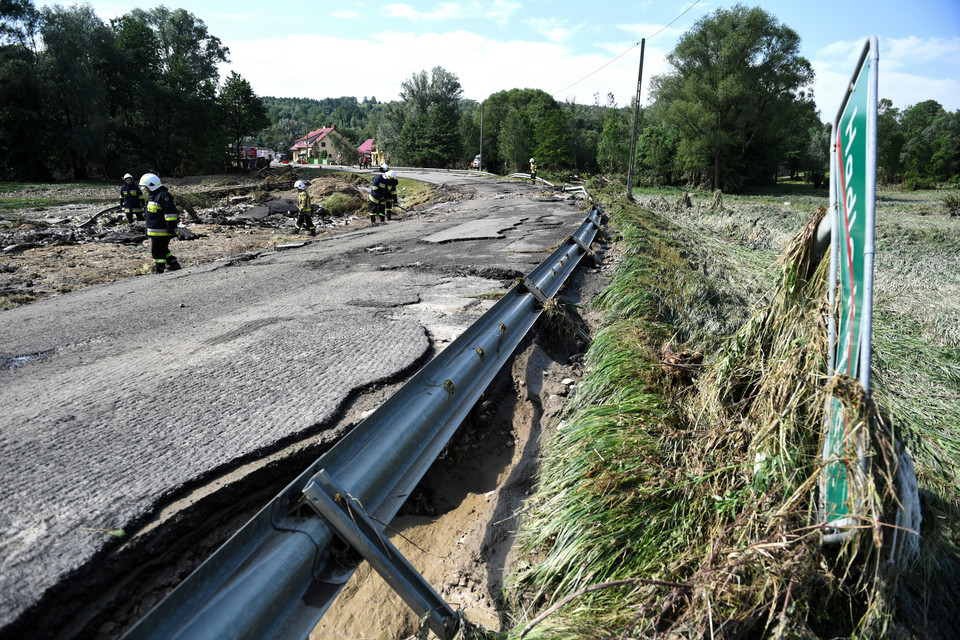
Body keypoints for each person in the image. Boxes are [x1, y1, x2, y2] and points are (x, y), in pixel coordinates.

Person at [139, 173, 181, 274]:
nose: (145, 189)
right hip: (155, 231)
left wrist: (171, 229)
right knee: (163, 249)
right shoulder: (153, 196)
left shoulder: (163, 196)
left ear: (151, 185)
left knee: (157, 251)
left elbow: (170, 214)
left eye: (145, 187)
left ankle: (159, 268)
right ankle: (173, 263)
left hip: (162, 231)